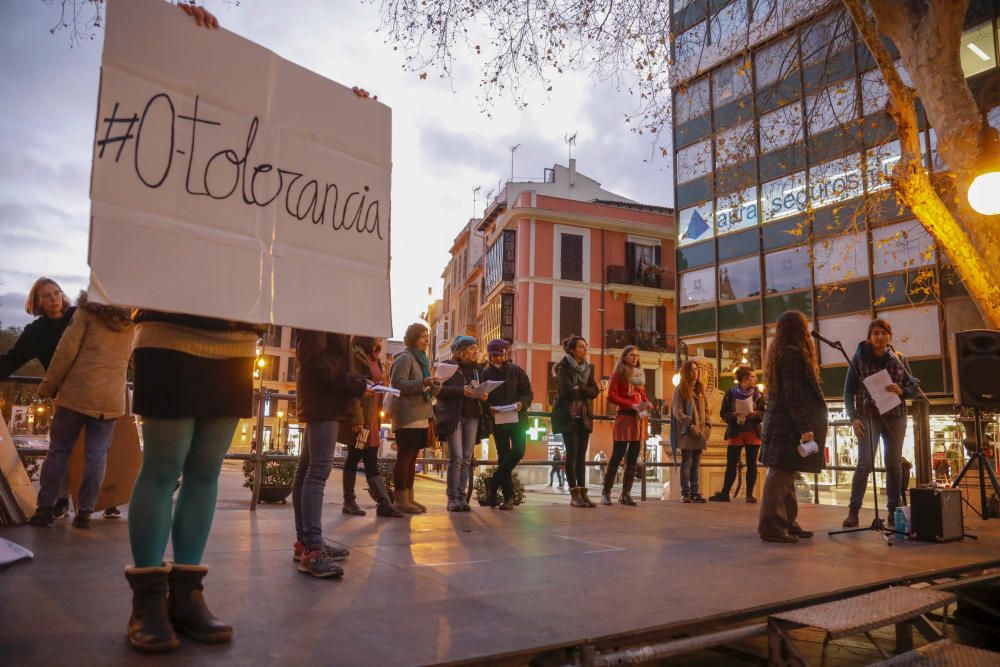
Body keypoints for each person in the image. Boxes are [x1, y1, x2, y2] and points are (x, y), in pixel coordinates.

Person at [28, 292, 135, 529]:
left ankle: (45, 509)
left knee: (59, 451)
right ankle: (85, 513)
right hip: (110, 400)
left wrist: (48, 386)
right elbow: (134, 360)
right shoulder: (132, 323)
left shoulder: (86, 313)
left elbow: (65, 352)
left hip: (76, 393)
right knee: (97, 456)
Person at [0, 277, 77, 519]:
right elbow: (13, 359)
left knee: (97, 447)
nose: (54, 299)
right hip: (63, 394)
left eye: (57, 293)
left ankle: (107, 500)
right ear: (37, 301)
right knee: (61, 448)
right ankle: (61, 500)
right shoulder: (36, 332)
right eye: (47, 295)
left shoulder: (78, 318)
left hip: (91, 389)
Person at [292, 330, 366, 578]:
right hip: (323, 401)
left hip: (323, 400)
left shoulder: (326, 313)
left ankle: (307, 543)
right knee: (317, 472)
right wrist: (349, 381)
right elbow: (315, 361)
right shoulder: (322, 315)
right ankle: (312, 549)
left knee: (307, 471)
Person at [841, 319, 917, 528]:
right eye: (875, 333)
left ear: (890, 336)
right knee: (865, 463)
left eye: (883, 333)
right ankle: (853, 512)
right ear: (869, 336)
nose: (879, 337)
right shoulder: (857, 359)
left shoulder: (899, 358)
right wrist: (853, 417)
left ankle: (894, 511)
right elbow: (847, 392)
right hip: (868, 415)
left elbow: (913, 388)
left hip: (896, 415)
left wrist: (901, 391)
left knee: (893, 465)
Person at [757, 310, 826, 543]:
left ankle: (787, 521)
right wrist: (805, 428)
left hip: (779, 423)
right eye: (804, 327)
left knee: (786, 474)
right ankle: (772, 526)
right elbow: (794, 396)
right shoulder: (793, 356)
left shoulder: (781, 354)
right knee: (780, 474)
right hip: (786, 425)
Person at [342, 336, 403, 518]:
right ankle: (351, 501)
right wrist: (358, 420)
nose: (381, 340)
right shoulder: (358, 358)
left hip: (372, 417)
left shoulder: (373, 358)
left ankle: (382, 503)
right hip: (363, 417)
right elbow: (355, 392)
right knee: (356, 455)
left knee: (369, 458)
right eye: (378, 337)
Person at [433, 335, 488, 511]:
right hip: (454, 416)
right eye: (472, 348)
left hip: (472, 415)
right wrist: (461, 391)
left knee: (466, 458)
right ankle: (452, 498)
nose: (475, 352)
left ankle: (462, 497)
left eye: (476, 348)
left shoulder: (477, 370)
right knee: (456, 457)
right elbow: (438, 391)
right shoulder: (447, 366)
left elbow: (478, 388)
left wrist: (482, 394)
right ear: (461, 350)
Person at [389, 323, 435, 514]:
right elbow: (397, 384)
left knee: (413, 457)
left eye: (427, 336)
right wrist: (422, 382)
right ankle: (400, 499)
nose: (426, 340)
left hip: (421, 414)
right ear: (413, 338)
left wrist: (435, 385)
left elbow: (425, 388)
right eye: (422, 336)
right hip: (407, 415)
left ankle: (409, 497)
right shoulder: (405, 358)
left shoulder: (422, 360)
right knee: (404, 457)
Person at [482, 339, 533, 510]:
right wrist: (489, 408)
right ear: (489, 355)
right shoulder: (485, 373)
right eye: (493, 355)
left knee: (519, 450)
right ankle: (508, 497)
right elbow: (482, 397)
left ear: (505, 354)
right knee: (503, 457)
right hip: (498, 421)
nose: (496, 358)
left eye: (499, 355)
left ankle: (494, 481)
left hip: (518, 419)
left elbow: (528, 393)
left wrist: (521, 404)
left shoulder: (516, 371)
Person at [551, 335, 601, 508]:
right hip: (568, 416)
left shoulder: (588, 368)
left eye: (585, 346)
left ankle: (583, 493)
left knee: (581, 456)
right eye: (581, 347)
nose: (584, 349)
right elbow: (566, 392)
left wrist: (580, 388)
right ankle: (574, 493)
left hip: (584, 416)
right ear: (572, 350)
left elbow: (595, 392)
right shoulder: (563, 367)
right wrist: (583, 390)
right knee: (571, 454)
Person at [602, 346, 652, 506]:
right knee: (617, 455)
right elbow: (611, 395)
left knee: (633, 457)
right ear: (624, 357)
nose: (635, 358)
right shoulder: (617, 373)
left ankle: (626, 494)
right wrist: (631, 405)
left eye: (637, 355)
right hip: (624, 418)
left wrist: (647, 403)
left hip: (639, 419)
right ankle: (606, 493)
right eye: (632, 355)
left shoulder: (639, 373)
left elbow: (642, 395)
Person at [710, 366, 765, 504]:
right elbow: (723, 413)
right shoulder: (730, 394)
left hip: (753, 431)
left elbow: (764, 413)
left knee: (752, 464)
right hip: (736, 431)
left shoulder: (758, 395)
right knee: (731, 463)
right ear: (744, 379)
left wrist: (755, 414)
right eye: (752, 377)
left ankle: (749, 495)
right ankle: (724, 493)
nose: (755, 379)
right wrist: (734, 417)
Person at [671, 360, 710, 503]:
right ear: (686, 372)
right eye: (692, 369)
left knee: (696, 463)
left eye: (696, 369)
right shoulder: (681, 389)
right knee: (687, 462)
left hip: (700, 432)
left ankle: (695, 492)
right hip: (688, 432)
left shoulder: (700, 388)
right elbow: (677, 411)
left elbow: (706, 409)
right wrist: (691, 424)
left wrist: (707, 426)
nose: (695, 372)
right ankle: (685, 493)